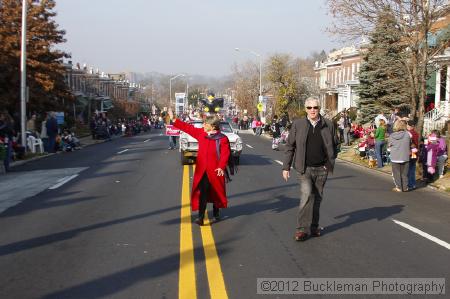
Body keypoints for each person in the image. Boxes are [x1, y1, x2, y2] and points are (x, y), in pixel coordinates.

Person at [282, 97, 339, 241]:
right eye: (309, 108)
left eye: (315, 107)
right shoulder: (298, 124)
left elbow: (335, 145)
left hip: (322, 168)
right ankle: (301, 229)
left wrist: (328, 163)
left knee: (317, 197)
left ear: (319, 108)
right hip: (304, 168)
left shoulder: (328, 124)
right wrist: (286, 167)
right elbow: (290, 146)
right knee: (307, 195)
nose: (312, 110)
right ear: (305, 109)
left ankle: (314, 227)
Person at [170, 111, 231, 225]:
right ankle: (201, 217)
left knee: (216, 192)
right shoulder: (201, 134)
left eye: (205, 124)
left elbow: (225, 154)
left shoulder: (222, 138)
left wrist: (221, 167)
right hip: (202, 171)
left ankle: (216, 212)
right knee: (203, 192)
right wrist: (175, 120)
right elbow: (188, 128)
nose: (203, 126)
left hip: (215, 171)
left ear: (212, 126)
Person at [388, 120, 411, 192]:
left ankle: (399, 187)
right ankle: (405, 187)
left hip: (395, 156)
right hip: (405, 156)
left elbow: (389, 145)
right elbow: (410, 143)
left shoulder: (392, 135)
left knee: (396, 173)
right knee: (404, 173)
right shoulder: (407, 134)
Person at [407, 120, 419, 190]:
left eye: (408, 125)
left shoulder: (409, 133)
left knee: (409, 169)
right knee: (412, 168)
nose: (407, 127)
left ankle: (410, 184)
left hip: (410, 152)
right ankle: (413, 183)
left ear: (412, 126)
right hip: (414, 152)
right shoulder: (416, 133)